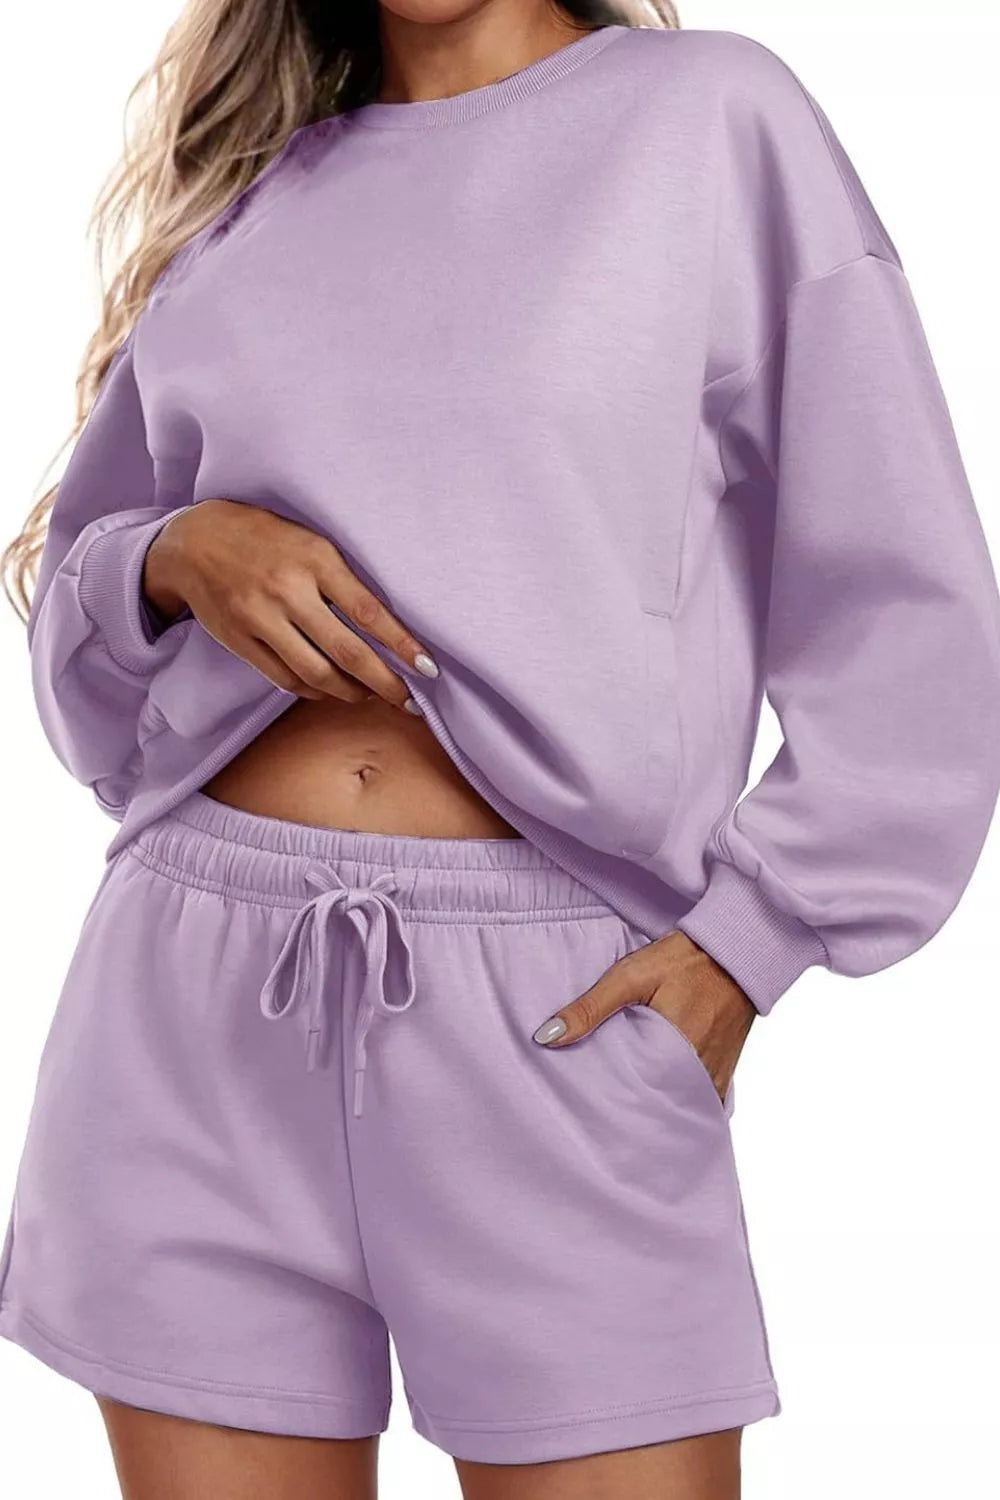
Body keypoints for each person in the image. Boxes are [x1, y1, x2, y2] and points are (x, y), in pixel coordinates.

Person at [2, 3, 999, 1497]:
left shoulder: (712, 120)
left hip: (554, 1019)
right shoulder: (261, 181)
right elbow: (87, 642)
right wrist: (173, 554)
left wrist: (754, 940)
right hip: (191, 1003)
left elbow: (907, 604)